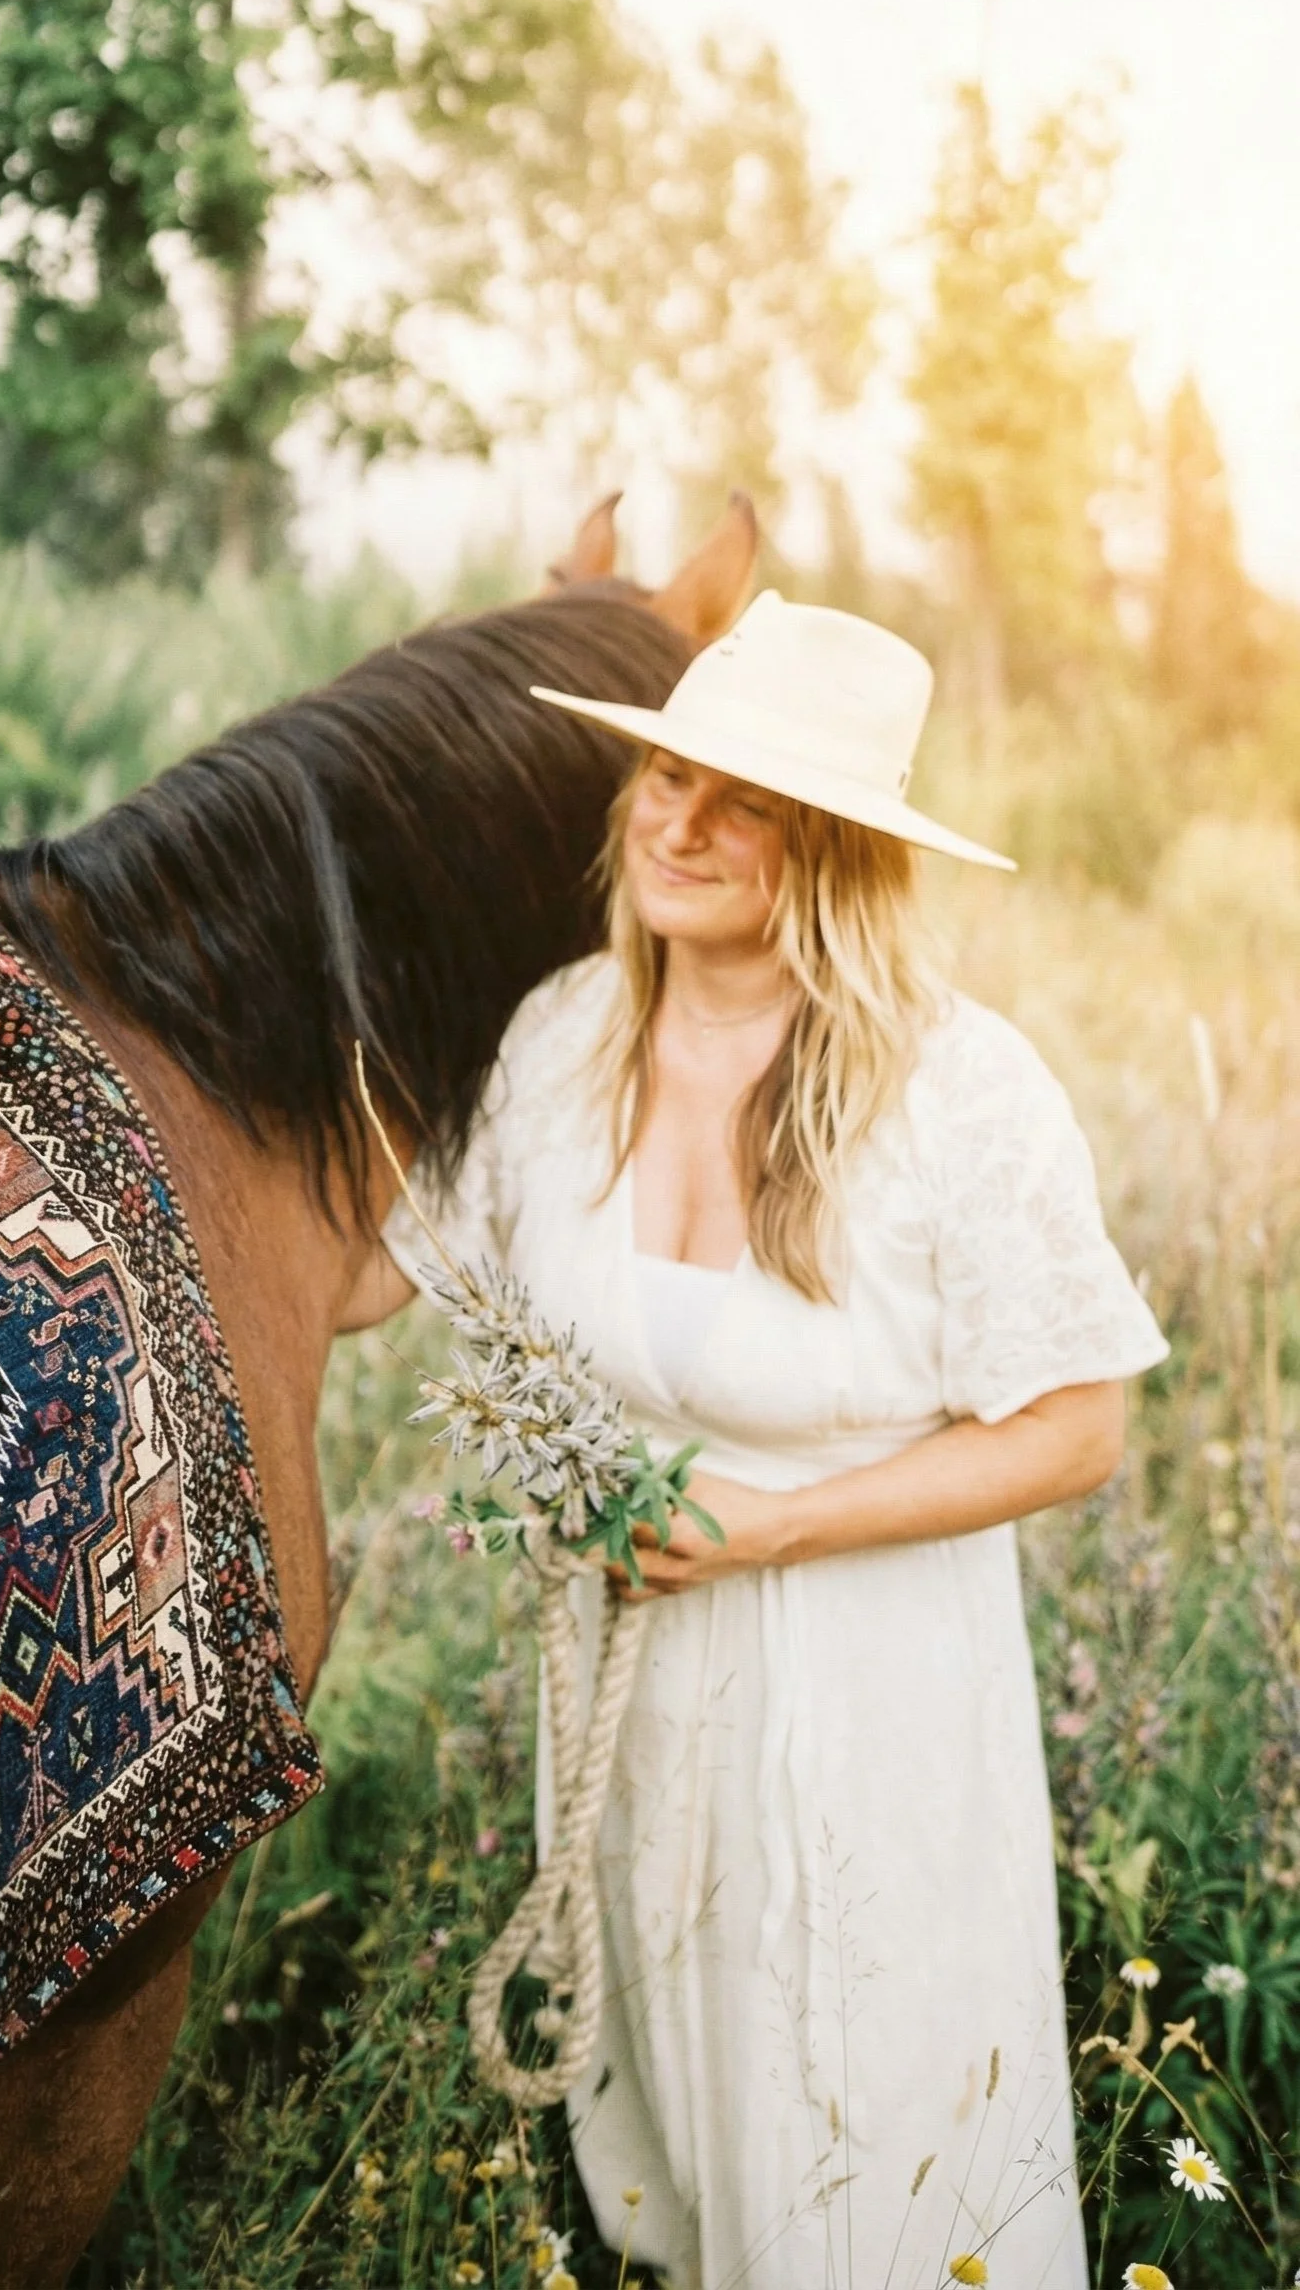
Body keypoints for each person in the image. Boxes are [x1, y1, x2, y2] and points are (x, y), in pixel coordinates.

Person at [342, 591, 1167, 2289]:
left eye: (747, 800)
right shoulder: (564, 1038)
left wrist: (776, 1528)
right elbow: (394, 1273)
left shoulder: (957, 1087)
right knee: (681, 2135)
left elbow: (1083, 1425)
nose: (682, 822)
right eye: (666, 778)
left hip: (873, 1688)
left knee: (865, 2118)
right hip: (644, 1685)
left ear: (836, 851)